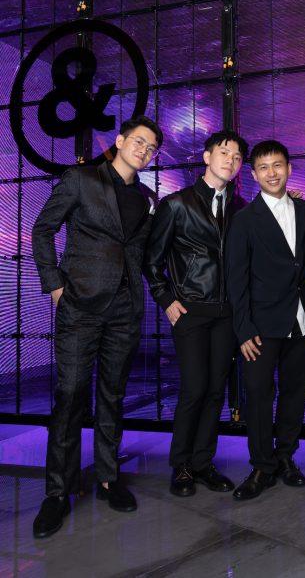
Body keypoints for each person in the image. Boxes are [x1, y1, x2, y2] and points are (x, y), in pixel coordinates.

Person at [31, 116, 163, 538]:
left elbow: (140, 253)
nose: (144, 150)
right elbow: (42, 230)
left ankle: (108, 478)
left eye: (151, 148)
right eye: (138, 141)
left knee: (113, 394)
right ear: (120, 141)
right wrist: (55, 286)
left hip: (125, 310)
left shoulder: (145, 198)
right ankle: (57, 492)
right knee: (70, 395)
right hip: (80, 306)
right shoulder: (82, 179)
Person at [143, 130, 247, 497]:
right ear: (206, 157)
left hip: (227, 313)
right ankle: (181, 465)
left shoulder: (240, 207)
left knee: (216, 390)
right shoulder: (176, 204)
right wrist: (165, 299)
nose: (231, 160)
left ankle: (203, 463)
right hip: (190, 311)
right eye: (224, 153)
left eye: (237, 157)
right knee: (194, 388)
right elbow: (151, 260)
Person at [225, 140, 305, 500]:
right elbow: (236, 279)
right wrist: (243, 329)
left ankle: (285, 457)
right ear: (253, 175)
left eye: (278, 165)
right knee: (259, 395)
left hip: (303, 320)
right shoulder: (244, 220)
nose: (272, 173)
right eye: (263, 167)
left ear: (289, 169)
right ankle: (262, 466)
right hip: (261, 325)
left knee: (296, 392)